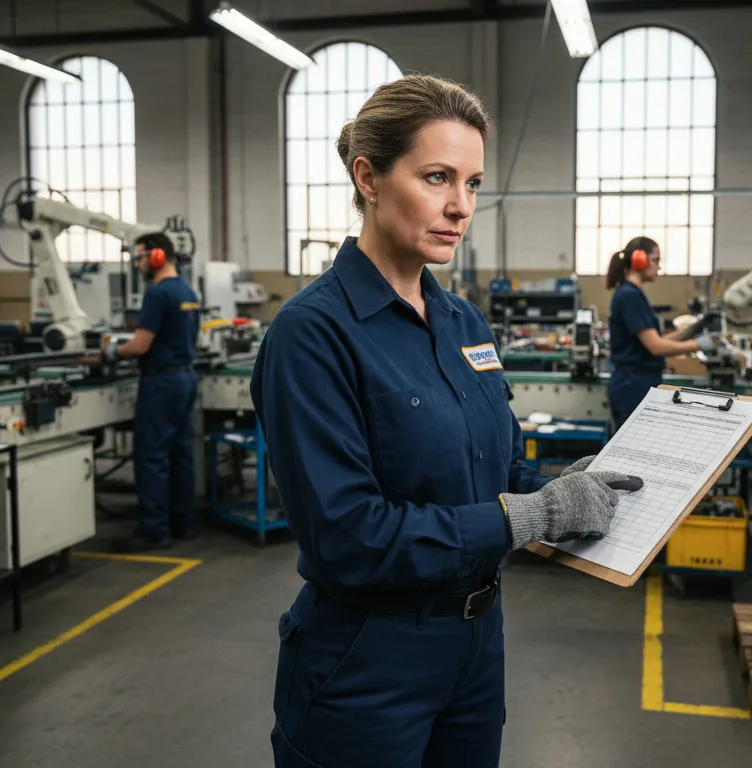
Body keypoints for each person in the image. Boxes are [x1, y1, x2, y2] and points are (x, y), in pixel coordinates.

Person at [250, 74, 643, 768]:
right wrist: (530, 517)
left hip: (476, 645)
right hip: (370, 657)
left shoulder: (462, 320)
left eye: (472, 184)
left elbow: (490, 469)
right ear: (368, 177)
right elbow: (348, 535)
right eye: (437, 178)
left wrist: (561, 489)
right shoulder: (312, 334)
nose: (460, 207)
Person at [104, 232, 201, 553]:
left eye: (141, 256)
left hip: (161, 383)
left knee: (152, 457)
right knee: (180, 454)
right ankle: (183, 525)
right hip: (185, 378)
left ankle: (154, 532)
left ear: (158, 256)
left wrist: (112, 352)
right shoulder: (188, 291)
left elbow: (140, 345)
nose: (137, 263)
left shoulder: (158, 294)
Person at [605, 238, 721, 428]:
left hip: (638, 382)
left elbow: (656, 340)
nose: (659, 267)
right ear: (640, 260)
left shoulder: (633, 294)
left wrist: (693, 329)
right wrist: (699, 344)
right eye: (656, 260)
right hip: (634, 386)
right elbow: (656, 347)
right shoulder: (630, 296)